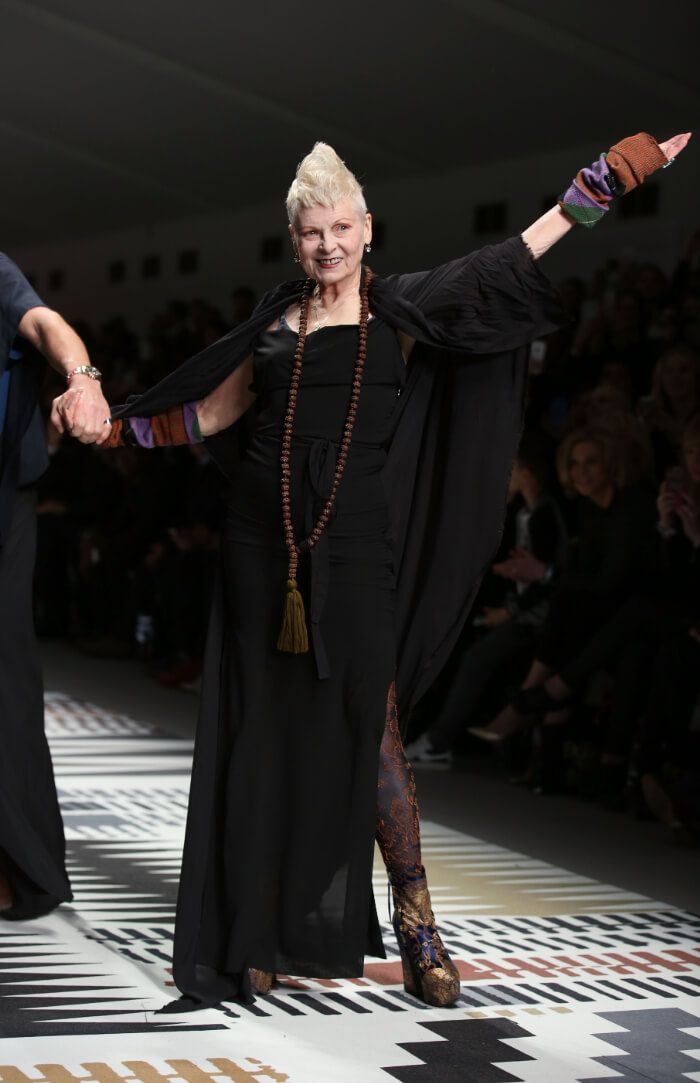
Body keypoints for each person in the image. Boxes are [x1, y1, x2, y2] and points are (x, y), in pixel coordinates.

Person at [54, 132, 690, 1012]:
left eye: (340, 228)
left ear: (366, 228)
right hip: (259, 545)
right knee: (262, 729)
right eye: (312, 232)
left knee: (373, 727)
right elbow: (204, 416)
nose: (328, 245)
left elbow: (512, 258)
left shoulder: (400, 311)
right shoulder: (273, 322)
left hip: (355, 547)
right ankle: (257, 927)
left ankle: (417, 917)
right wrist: (112, 428)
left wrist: (601, 185)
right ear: (295, 239)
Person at [0, 252, 110, 919]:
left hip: (1, 497)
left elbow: (45, 324)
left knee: (5, 678)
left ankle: (14, 859)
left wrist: (83, 378)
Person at [405, 434, 566, 766]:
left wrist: (510, 610)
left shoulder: (543, 514)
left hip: (538, 617)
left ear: (527, 472)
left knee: (476, 658)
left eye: (512, 468)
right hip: (523, 611)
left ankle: (439, 740)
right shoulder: (526, 512)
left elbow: (546, 577)